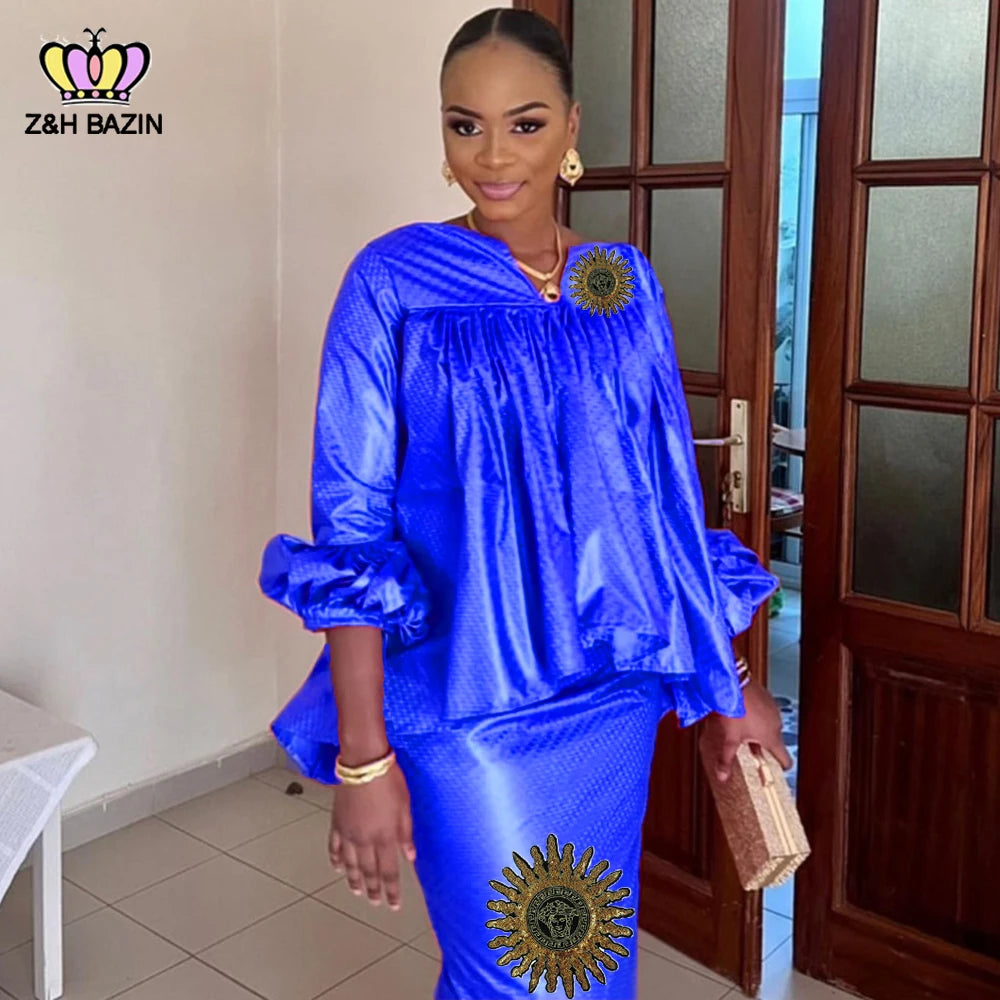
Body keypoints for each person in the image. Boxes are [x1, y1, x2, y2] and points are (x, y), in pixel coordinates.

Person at [258, 8, 791, 998]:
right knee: (519, 970)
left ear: (572, 127)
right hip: (465, 703)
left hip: (610, 694)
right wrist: (364, 763)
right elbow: (353, 523)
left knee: (591, 968)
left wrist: (730, 683)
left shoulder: (618, 284)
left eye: (526, 123)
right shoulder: (394, 280)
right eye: (465, 125)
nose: (493, 156)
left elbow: (660, 510)